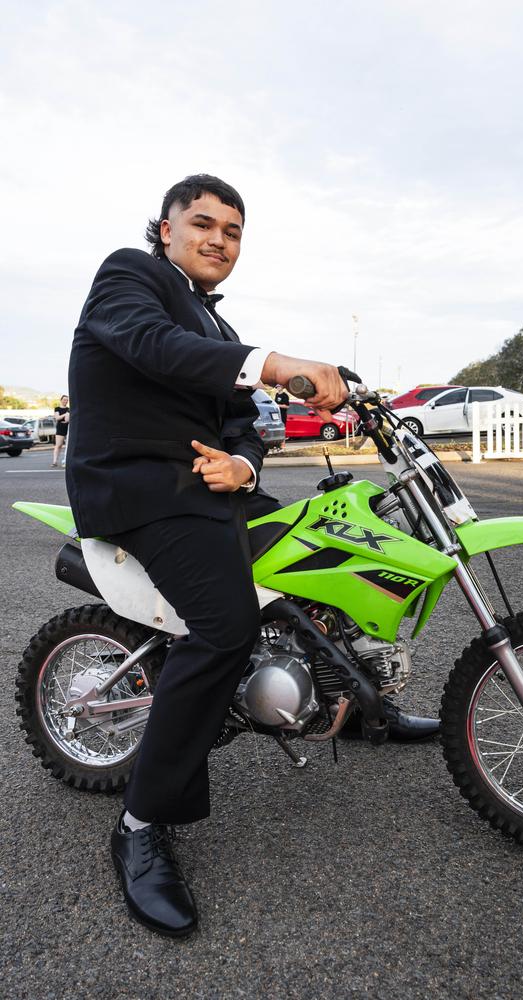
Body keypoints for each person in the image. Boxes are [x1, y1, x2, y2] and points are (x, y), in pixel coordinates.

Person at [66, 173, 437, 940]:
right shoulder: (129, 279)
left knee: (326, 546)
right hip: (143, 490)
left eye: (232, 232)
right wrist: (273, 363)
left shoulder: (207, 314)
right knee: (225, 625)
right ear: (165, 229)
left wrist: (248, 465)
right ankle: (139, 825)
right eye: (202, 223)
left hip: (210, 490)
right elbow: (151, 346)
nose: (218, 240)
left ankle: (358, 700)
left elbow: (242, 420)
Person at [52, 394, 69, 467]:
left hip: (68, 428)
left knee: (67, 446)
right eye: (64, 399)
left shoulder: (69, 409)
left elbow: (67, 419)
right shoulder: (57, 408)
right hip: (60, 428)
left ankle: (66, 461)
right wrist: (65, 414)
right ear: (61, 400)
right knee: (58, 445)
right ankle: (55, 461)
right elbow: (57, 418)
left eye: (67, 400)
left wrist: (66, 418)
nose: (65, 401)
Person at [274, 383, 290, 450]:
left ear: (282, 387)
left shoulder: (285, 395)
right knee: (277, 430)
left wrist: (278, 405)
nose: (277, 388)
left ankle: (283, 445)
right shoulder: (276, 395)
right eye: (276, 387)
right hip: (277, 415)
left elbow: (287, 406)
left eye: (278, 386)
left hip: (283, 415)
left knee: (282, 429)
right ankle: (277, 445)